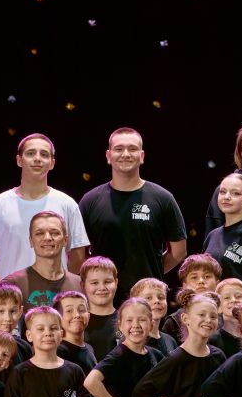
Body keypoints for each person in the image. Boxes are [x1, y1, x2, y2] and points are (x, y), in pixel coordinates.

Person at [79, 127, 187, 302]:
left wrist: (151, 275)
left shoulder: (163, 198)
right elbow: (78, 255)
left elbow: (179, 252)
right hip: (103, 299)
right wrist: (97, 281)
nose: (126, 154)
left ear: (142, 156)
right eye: (119, 149)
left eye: (132, 149)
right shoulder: (90, 200)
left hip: (148, 300)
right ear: (108, 156)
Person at [0, 133, 90, 278]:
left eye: (44, 154)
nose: (37, 158)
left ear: (52, 163)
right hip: (8, 291)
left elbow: (78, 257)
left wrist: (59, 283)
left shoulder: (67, 204)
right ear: (19, 160)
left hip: (55, 291)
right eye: (30, 153)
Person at [4, 211, 83, 312]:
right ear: (31, 241)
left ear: (65, 240)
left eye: (54, 233)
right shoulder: (12, 284)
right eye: (39, 233)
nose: (47, 238)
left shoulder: (81, 284)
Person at [162, 253, 222, 343]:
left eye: (207, 276)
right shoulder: (173, 322)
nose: (201, 281)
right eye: (194, 277)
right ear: (184, 286)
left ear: (217, 284)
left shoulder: (226, 318)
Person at [79, 256, 120, 361]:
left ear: (116, 283)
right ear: (83, 285)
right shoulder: (77, 322)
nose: (102, 288)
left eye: (107, 282)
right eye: (94, 283)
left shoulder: (126, 320)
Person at [130, 278, 178, 356]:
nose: (157, 301)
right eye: (148, 298)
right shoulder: (131, 340)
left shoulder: (170, 341)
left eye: (161, 297)